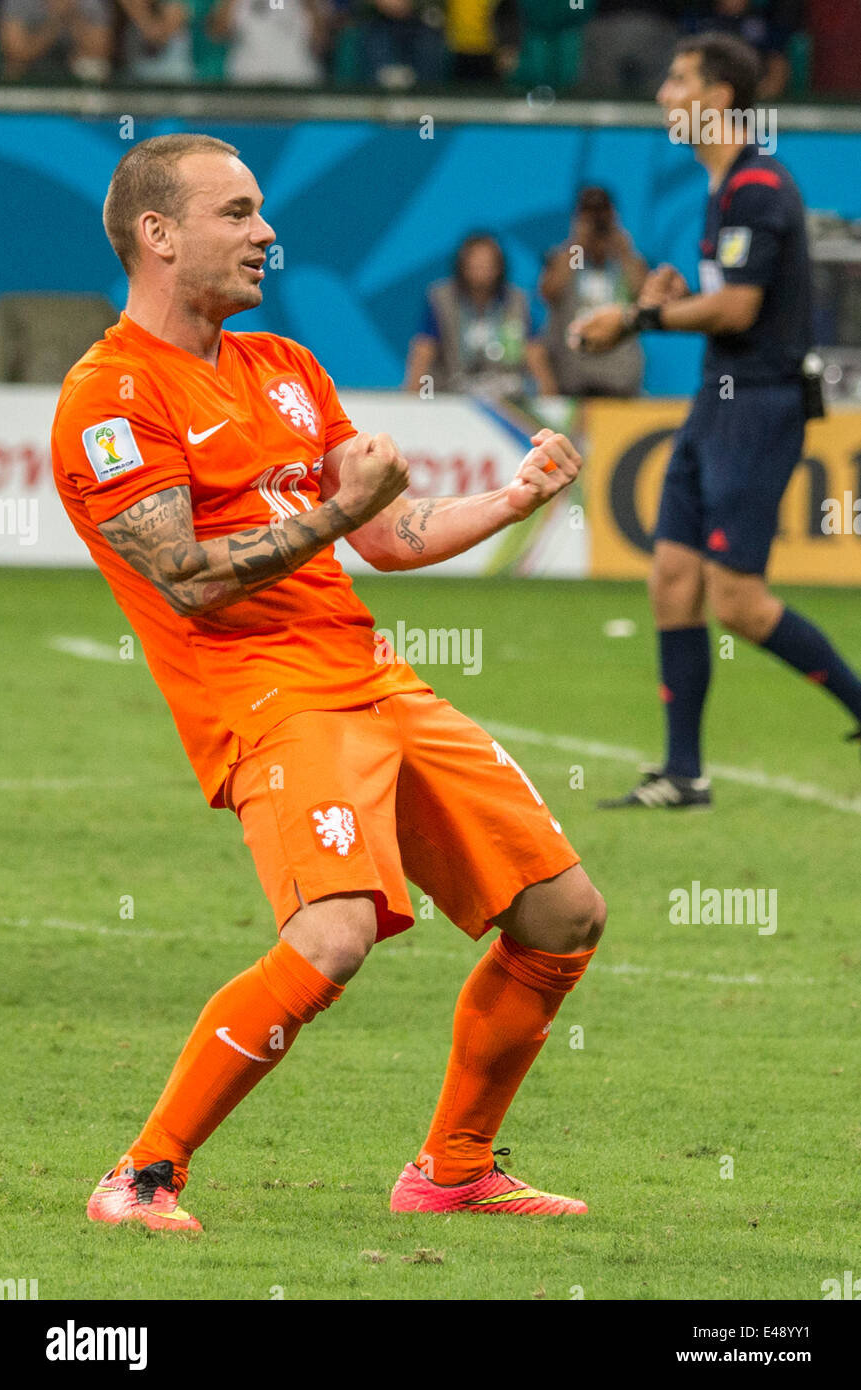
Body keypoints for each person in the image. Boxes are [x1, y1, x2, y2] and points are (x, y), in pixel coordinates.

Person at [51, 133, 606, 1232]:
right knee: (335, 931)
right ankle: (143, 1173)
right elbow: (186, 582)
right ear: (157, 235)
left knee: (561, 913)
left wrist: (508, 500)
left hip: (367, 677)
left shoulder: (285, 369)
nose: (268, 232)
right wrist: (338, 515)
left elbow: (390, 533)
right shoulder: (108, 396)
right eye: (238, 211)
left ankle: (452, 1170)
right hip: (265, 697)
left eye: (262, 210)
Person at [572, 33, 861, 809]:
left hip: (758, 407)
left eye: (676, 80)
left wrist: (634, 319)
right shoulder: (722, 186)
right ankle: (683, 773)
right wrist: (665, 300)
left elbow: (738, 307)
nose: (663, 95)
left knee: (737, 601)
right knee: (670, 580)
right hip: (716, 401)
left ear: (719, 97)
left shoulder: (758, 186)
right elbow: (721, 302)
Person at [405, 233, 557, 398]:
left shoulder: (517, 300)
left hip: (508, 394)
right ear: (462, 266)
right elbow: (424, 348)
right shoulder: (441, 298)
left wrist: (549, 396)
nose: (482, 269)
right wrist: (411, 396)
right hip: (454, 393)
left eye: (488, 263)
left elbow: (533, 350)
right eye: (476, 263)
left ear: (499, 266)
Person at [540, 186, 647, 398]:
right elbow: (549, 292)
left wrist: (625, 251)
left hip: (619, 376)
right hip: (574, 376)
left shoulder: (625, 259)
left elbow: (644, 296)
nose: (597, 221)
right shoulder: (568, 258)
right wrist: (577, 243)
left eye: (602, 213)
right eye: (589, 214)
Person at [0, 0, 111, 81]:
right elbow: (16, 52)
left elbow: (100, 50)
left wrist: (72, 15)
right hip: (31, 67)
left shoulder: (91, 3)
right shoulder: (18, 2)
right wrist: (56, 21)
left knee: (95, 66)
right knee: (15, 67)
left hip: (73, 68)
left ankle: (90, 114)